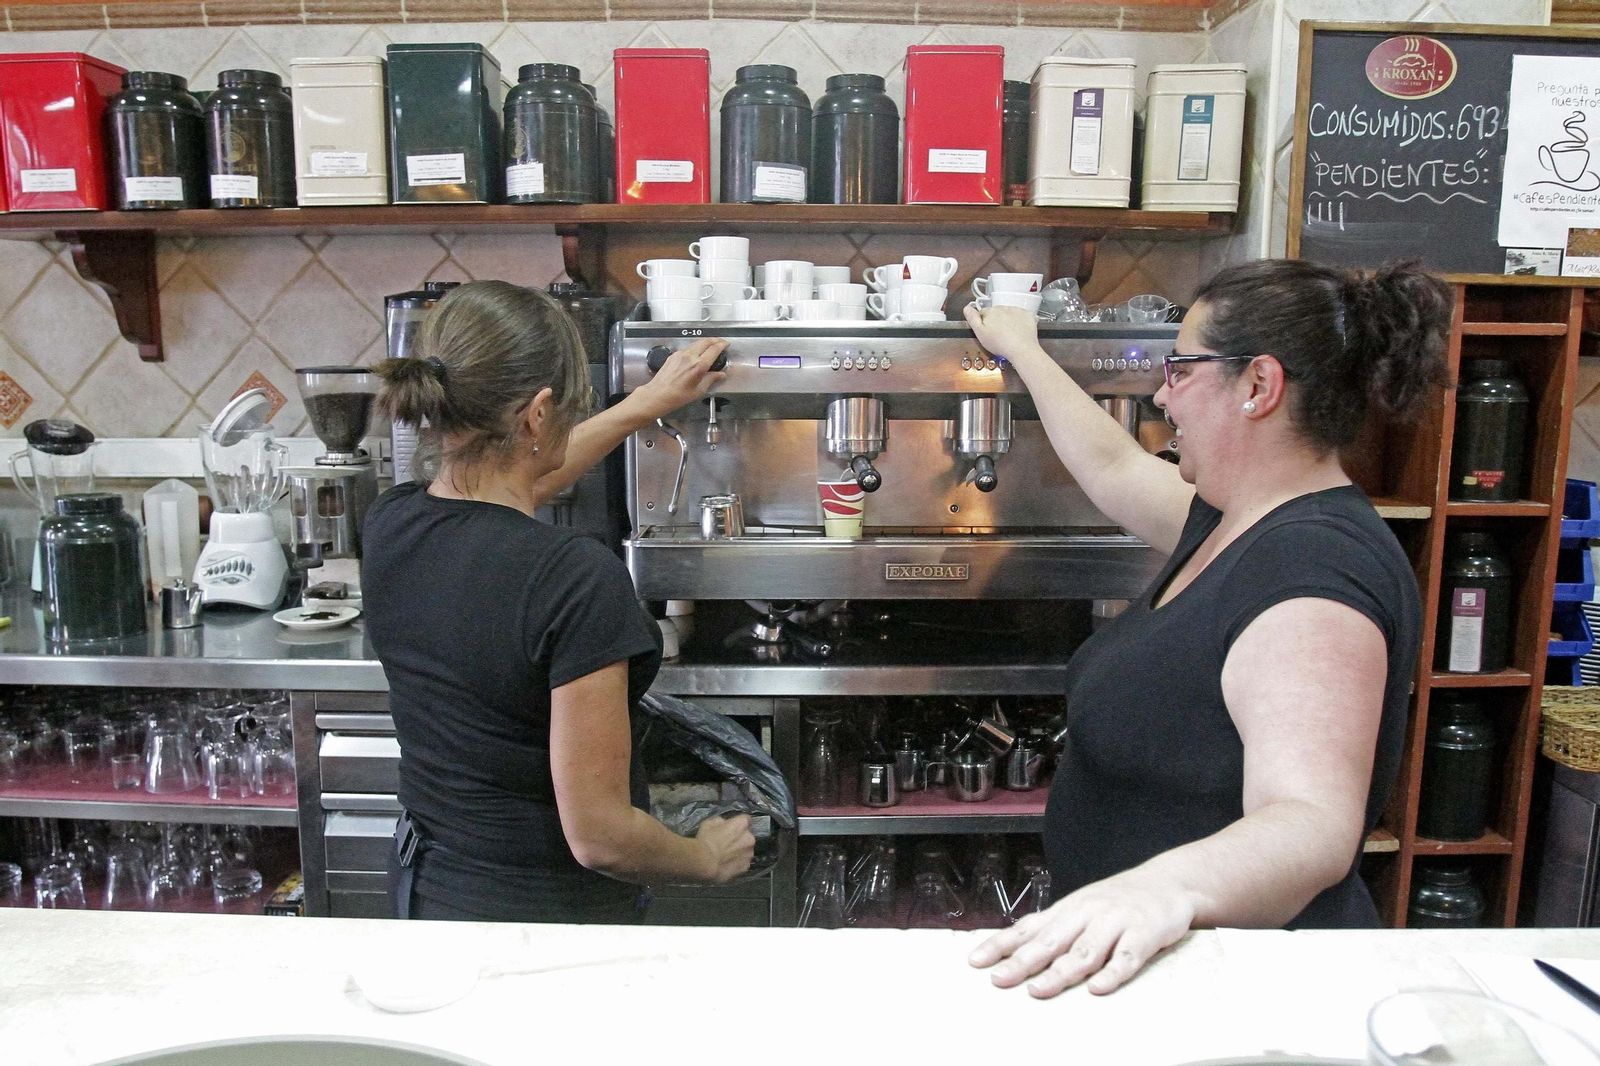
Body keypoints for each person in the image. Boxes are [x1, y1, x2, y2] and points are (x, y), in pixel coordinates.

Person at [962, 260, 1452, 996]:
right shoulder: (1233, 521)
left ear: (1259, 384)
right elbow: (1112, 463)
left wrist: (1159, 889)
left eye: (1181, 369)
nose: (1162, 394)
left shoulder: (1314, 571)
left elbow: (1311, 821)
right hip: (1169, 973)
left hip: (1249, 993)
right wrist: (1024, 350)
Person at [363, 280, 755, 923]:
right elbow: (600, 837)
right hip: (543, 921)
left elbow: (520, 480)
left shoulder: (391, 523)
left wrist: (647, 403)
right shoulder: (574, 578)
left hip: (427, 890)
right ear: (538, 416)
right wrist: (705, 857)